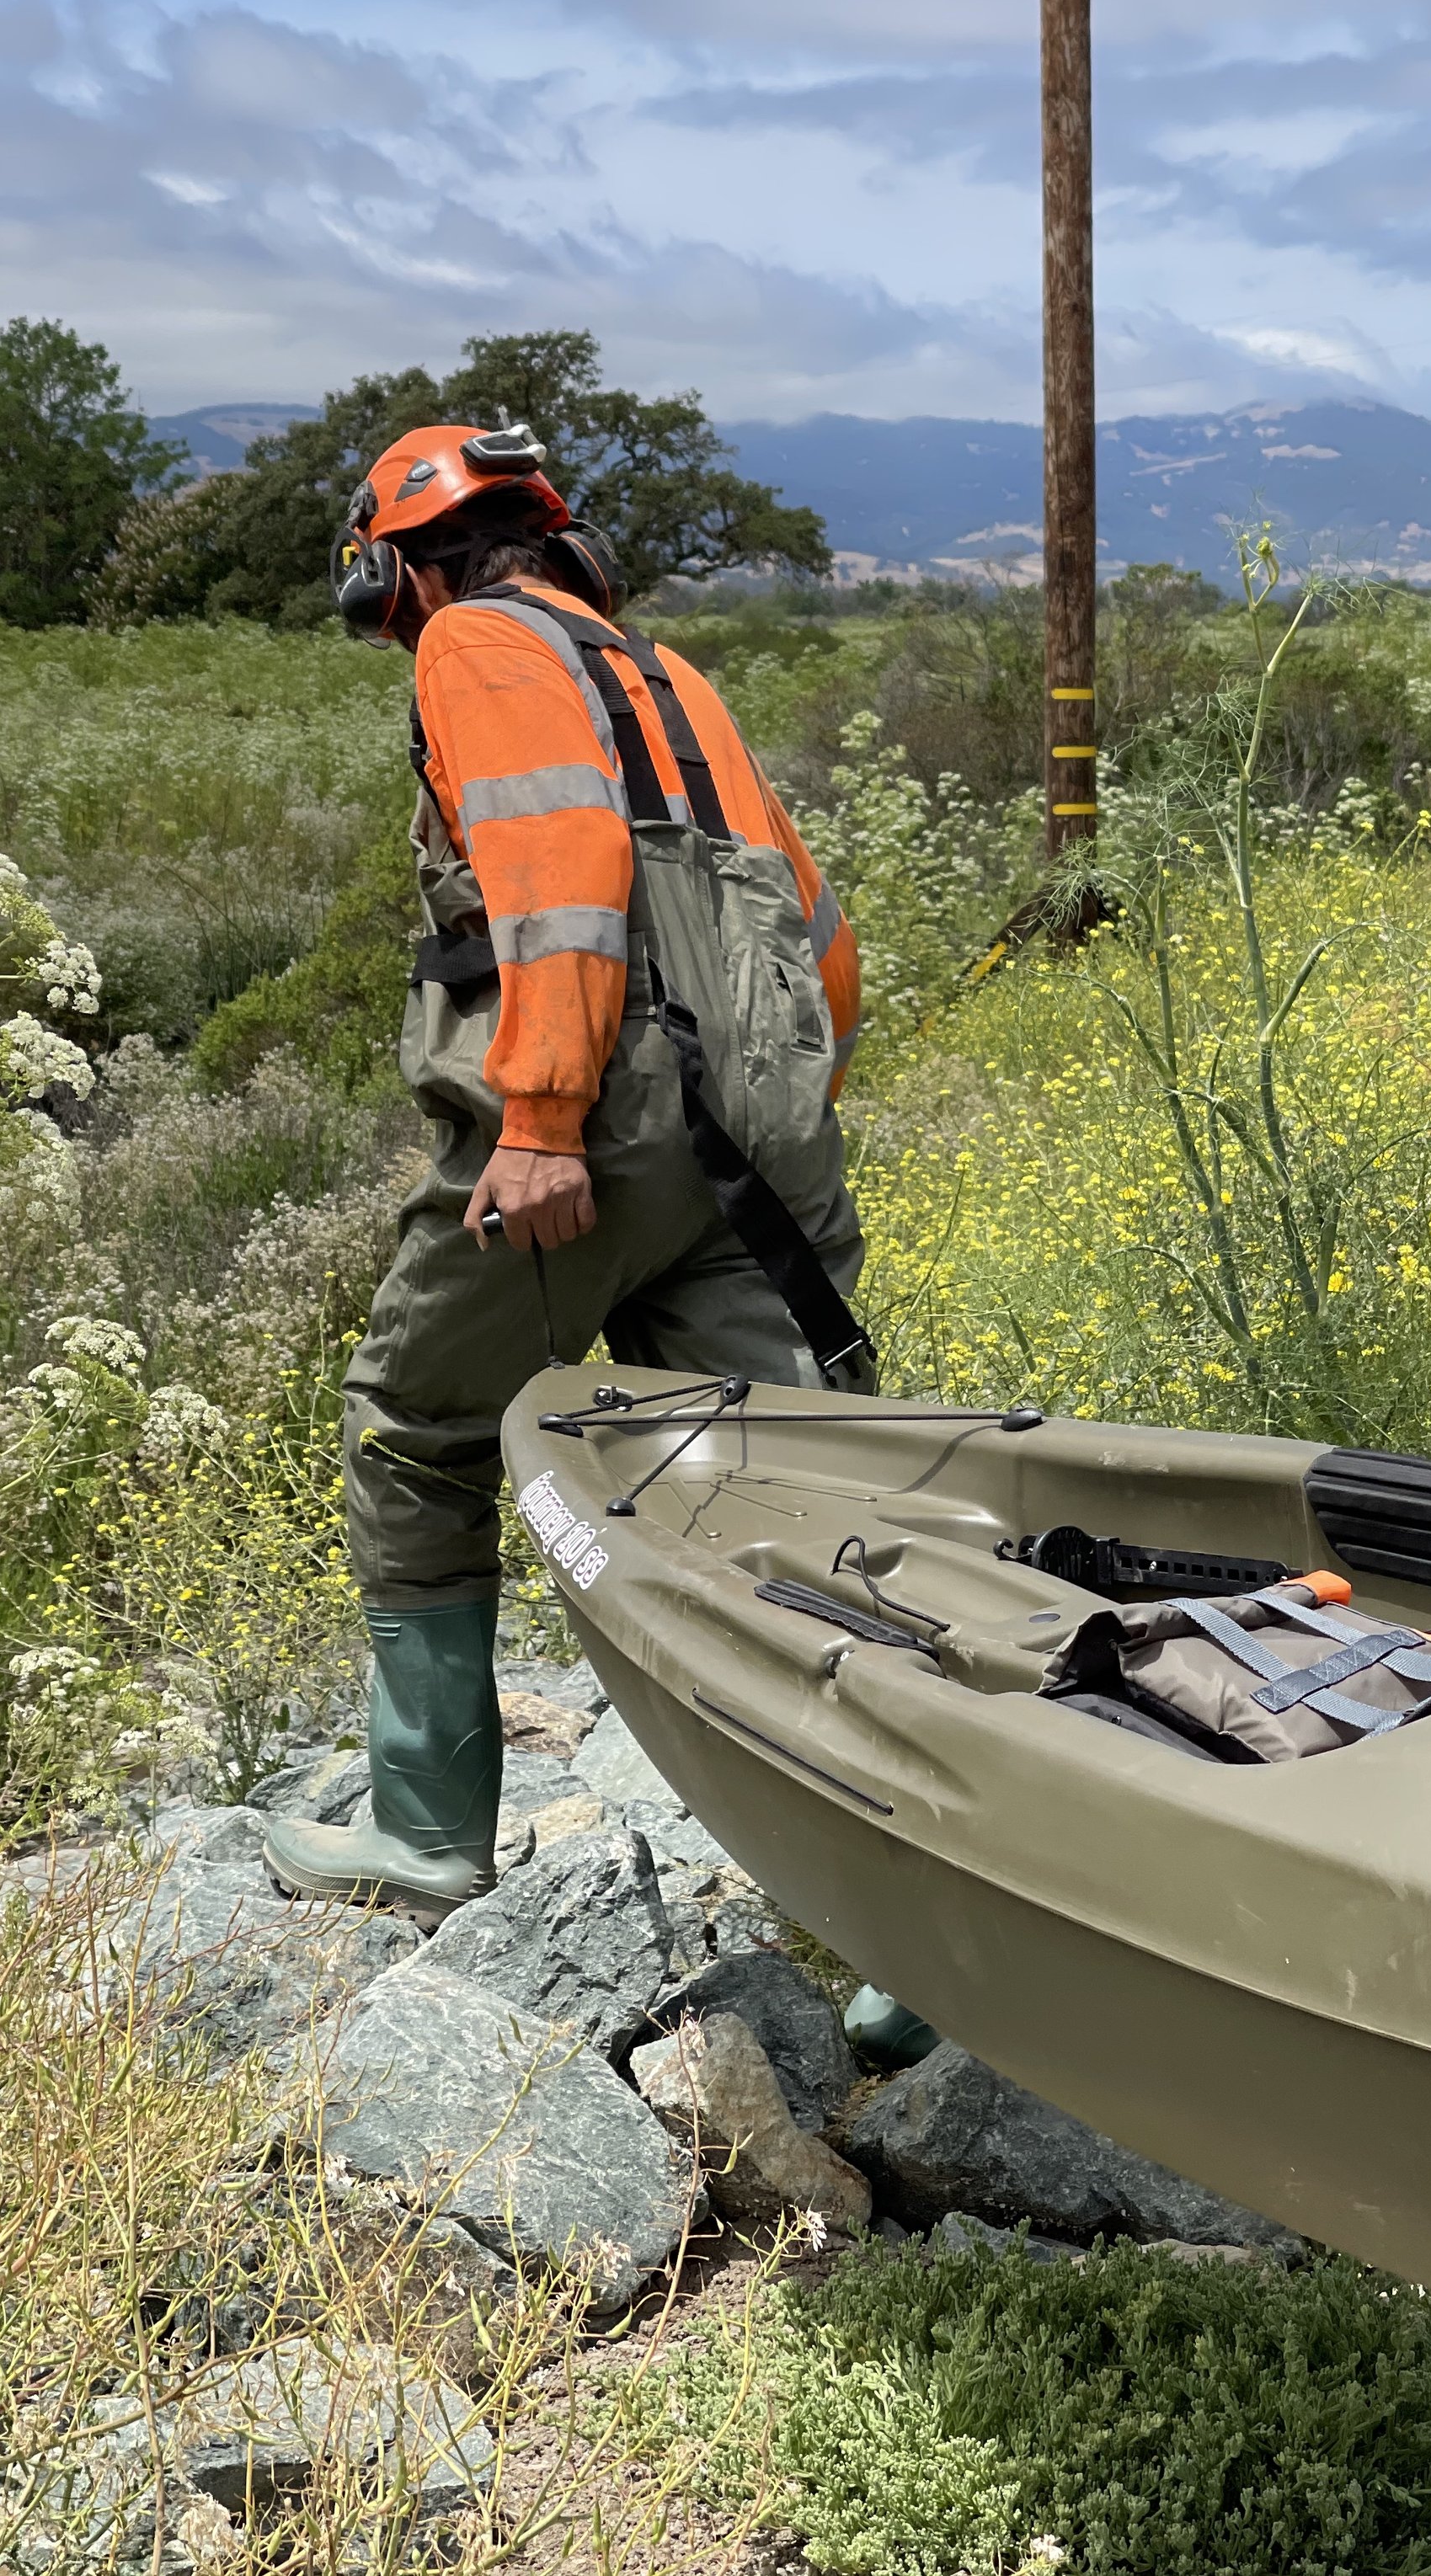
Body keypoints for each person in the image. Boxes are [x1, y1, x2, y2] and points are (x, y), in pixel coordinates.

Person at [262, 420, 870, 1925]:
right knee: (794, 1494)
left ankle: (425, 1839)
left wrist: (539, 1118)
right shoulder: (671, 679)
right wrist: (781, 1113)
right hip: (766, 1140)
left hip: (598, 1130)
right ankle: (896, 1940)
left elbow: (563, 867)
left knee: (415, 1421)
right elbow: (823, 939)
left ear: (401, 566)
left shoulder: (470, 641)